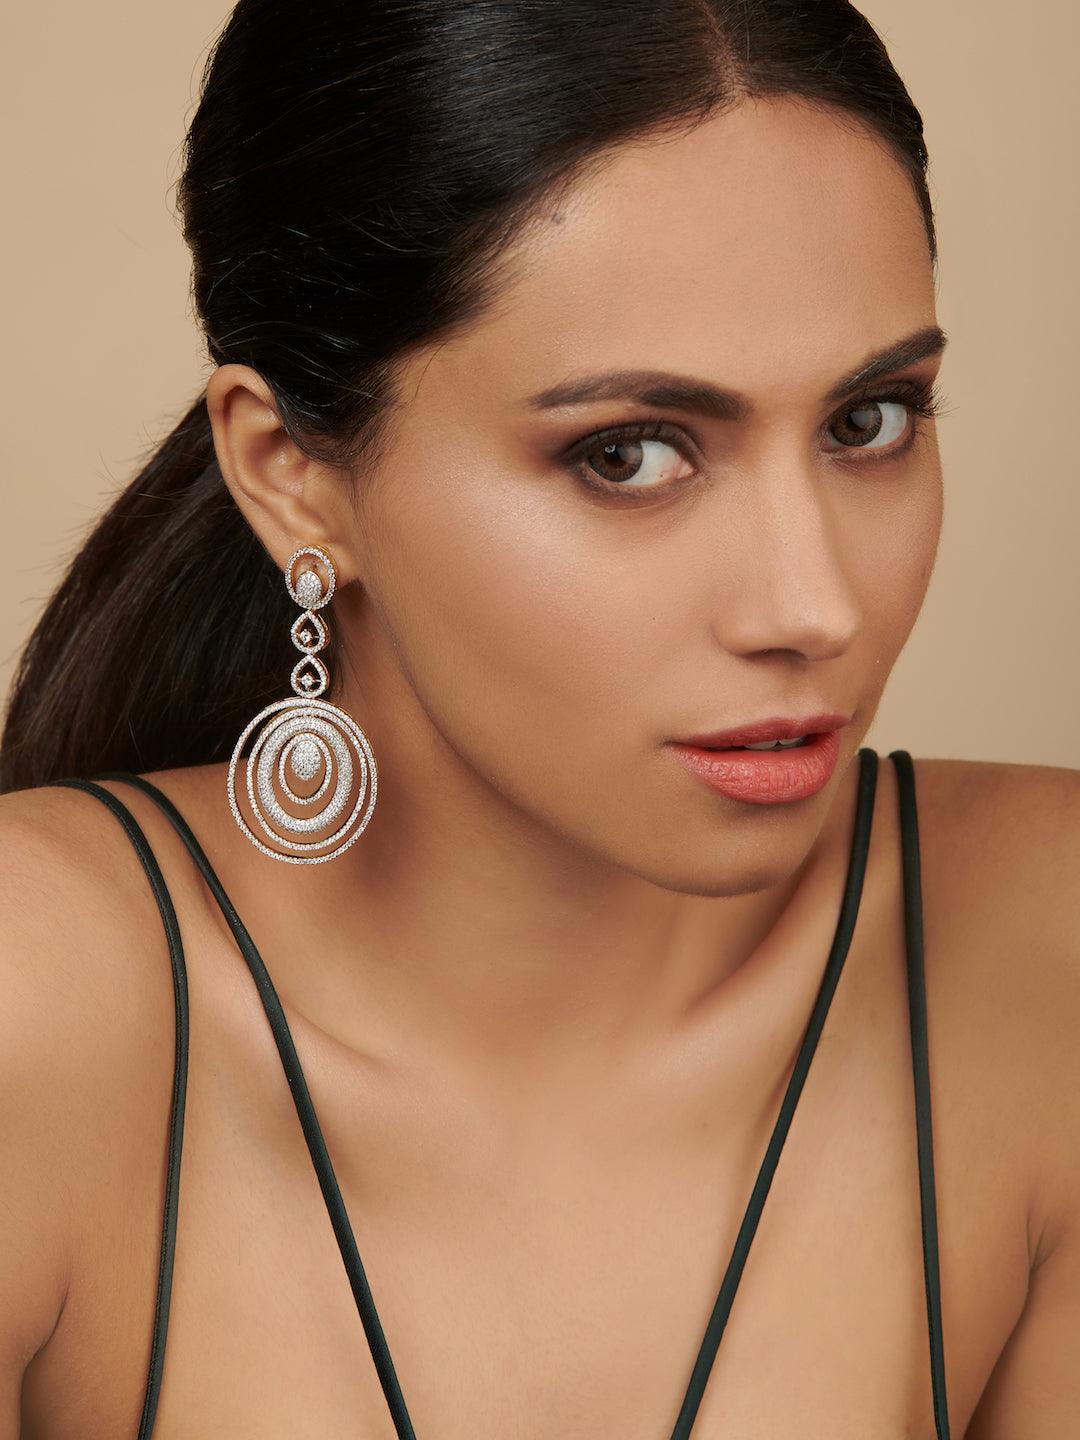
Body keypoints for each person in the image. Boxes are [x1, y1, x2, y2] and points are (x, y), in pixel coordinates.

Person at [1, 1, 1077, 1436]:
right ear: (292, 477)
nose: (813, 604)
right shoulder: (37, 1005)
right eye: (627, 455)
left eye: (868, 420)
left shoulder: (1040, 955)